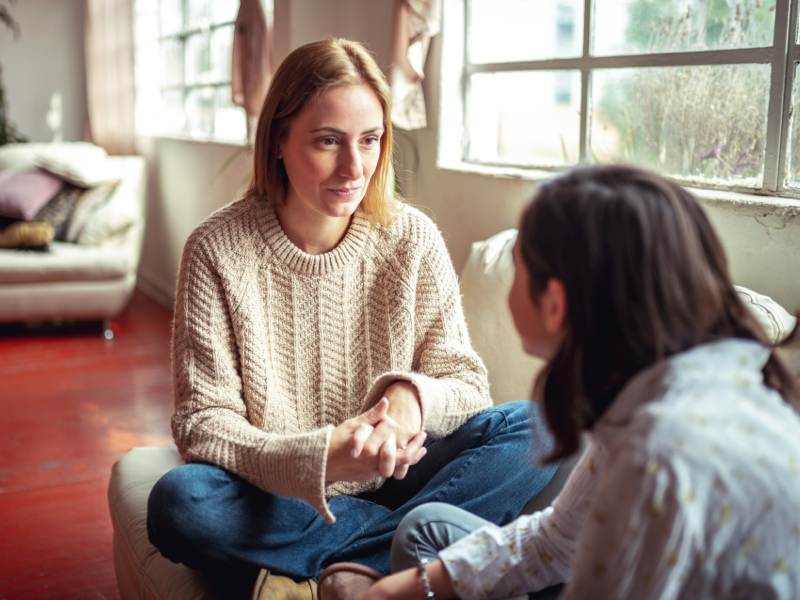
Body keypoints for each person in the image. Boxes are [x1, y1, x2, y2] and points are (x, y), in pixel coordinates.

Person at [145, 38, 559, 598]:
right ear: (278, 142)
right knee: (180, 503)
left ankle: (332, 569)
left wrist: (409, 401)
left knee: (539, 423)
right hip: (281, 493)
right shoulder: (216, 251)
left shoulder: (411, 238)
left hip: (401, 476)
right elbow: (203, 424)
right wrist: (324, 456)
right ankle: (402, 560)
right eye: (327, 141)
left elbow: (467, 384)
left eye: (370, 140)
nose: (354, 166)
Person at [360, 165, 800, 600]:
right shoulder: (664, 387)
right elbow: (558, 543)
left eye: (518, 268)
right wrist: (396, 591)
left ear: (555, 303)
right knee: (424, 529)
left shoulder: (659, 454)